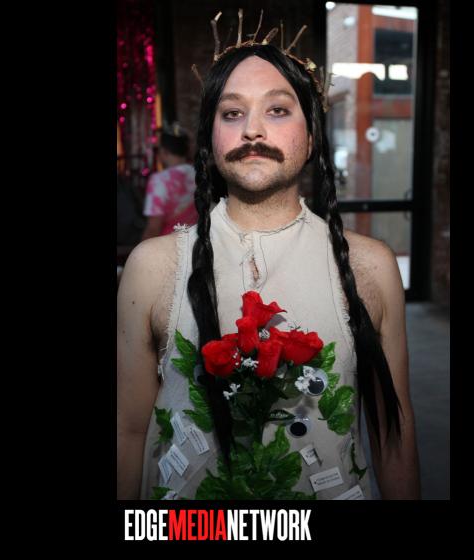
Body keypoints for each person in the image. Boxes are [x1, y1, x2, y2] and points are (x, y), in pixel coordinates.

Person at [117, 16, 420, 500]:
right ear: (210, 138)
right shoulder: (152, 267)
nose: (253, 130)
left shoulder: (370, 267)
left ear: (312, 135)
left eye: (278, 110)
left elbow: (392, 434)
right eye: (232, 113)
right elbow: (129, 429)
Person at [141, 128, 198, 239]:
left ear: (164, 151)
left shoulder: (160, 180)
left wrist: (141, 247)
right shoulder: (200, 174)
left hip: (168, 244)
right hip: (196, 241)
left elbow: (153, 228)